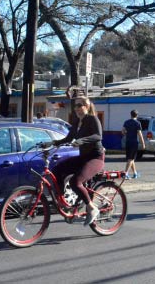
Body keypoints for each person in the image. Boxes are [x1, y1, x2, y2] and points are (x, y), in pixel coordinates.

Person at [52, 96, 105, 226]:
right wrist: (52, 143)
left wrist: (81, 141)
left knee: (75, 181)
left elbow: (98, 136)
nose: (77, 108)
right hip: (83, 157)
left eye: (80, 105)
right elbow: (68, 138)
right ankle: (63, 203)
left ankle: (92, 208)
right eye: (75, 106)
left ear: (86, 106)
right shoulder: (76, 122)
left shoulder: (92, 119)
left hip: (95, 157)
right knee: (57, 170)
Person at [122, 109, 145, 179]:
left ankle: (135, 173)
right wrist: (143, 143)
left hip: (128, 142)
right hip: (134, 142)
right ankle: (125, 173)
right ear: (137, 115)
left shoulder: (126, 122)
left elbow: (123, 131)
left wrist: (127, 133)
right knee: (131, 159)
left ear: (131, 115)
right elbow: (140, 134)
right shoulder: (137, 123)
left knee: (131, 159)